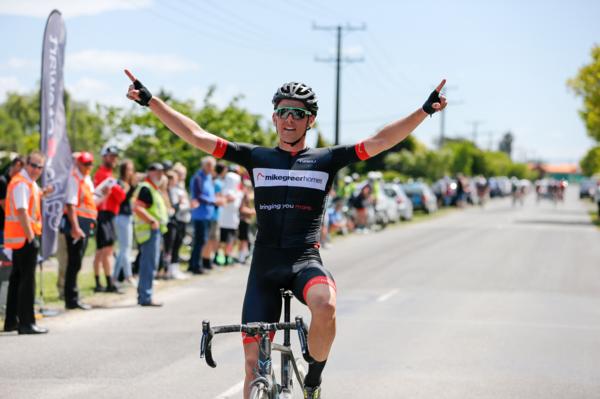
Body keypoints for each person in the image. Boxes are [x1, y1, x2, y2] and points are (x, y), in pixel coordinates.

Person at [125, 70, 447, 399]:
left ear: (311, 121)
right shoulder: (256, 157)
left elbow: (380, 141)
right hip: (264, 265)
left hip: (303, 259)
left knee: (326, 305)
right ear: (274, 118)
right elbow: (196, 135)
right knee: (253, 367)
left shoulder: (326, 160)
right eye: (282, 112)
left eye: (298, 114)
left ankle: (313, 379)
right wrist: (151, 102)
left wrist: (425, 110)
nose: (289, 120)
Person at [3, 152, 50, 334]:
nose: (37, 170)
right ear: (25, 164)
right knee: (27, 282)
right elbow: (22, 211)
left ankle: (11, 321)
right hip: (24, 238)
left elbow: (32, 201)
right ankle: (26, 323)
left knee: (16, 280)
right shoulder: (21, 183)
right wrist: (31, 237)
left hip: (19, 238)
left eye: (40, 167)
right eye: (33, 165)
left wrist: (44, 192)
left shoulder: (26, 182)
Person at [62, 152, 102, 310]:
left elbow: (91, 203)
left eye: (90, 164)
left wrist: (104, 196)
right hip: (77, 225)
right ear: (78, 164)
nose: (89, 167)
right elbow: (70, 204)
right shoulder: (74, 178)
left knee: (77, 262)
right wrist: (75, 227)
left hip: (84, 224)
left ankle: (73, 297)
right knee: (74, 262)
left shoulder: (86, 180)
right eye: (86, 164)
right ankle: (71, 299)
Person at [132, 163, 168, 306]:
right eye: (157, 172)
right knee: (148, 265)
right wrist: (152, 221)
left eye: (161, 172)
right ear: (149, 172)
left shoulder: (152, 188)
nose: (160, 174)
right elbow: (138, 208)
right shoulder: (146, 188)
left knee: (149, 264)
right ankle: (146, 297)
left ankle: (144, 296)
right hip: (149, 231)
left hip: (152, 231)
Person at [93, 145, 126, 293]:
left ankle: (100, 282)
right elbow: (121, 195)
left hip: (106, 214)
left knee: (101, 251)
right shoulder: (104, 175)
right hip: (104, 214)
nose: (113, 159)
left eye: (115, 156)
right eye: (111, 156)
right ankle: (109, 283)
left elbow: (120, 196)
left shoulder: (107, 175)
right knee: (106, 250)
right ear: (104, 157)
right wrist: (119, 189)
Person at [188, 156, 216, 274]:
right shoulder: (198, 177)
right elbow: (198, 196)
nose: (210, 168)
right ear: (203, 165)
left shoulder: (209, 177)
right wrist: (213, 201)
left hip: (207, 214)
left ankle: (194, 264)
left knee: (203, 240)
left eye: (212, 165)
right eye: (208, 165)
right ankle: (195, 266)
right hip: (200, 215)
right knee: (200, 241)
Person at [112, 159, 138, 288]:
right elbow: (122, 198)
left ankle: (115, 277)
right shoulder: (120, 183)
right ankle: (128, 276)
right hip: (121, 216)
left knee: (124, 249)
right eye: (129, 169)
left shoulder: (129, 183)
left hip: (128, 216)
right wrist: (129, 187)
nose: (131, 172)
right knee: (124, 248)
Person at [0, 156, 24, 252]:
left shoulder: (16, 182)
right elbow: (3, 203)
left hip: (10, 227)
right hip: (2, 226)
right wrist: (18, 220)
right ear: (17, 165)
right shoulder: (3, 181)